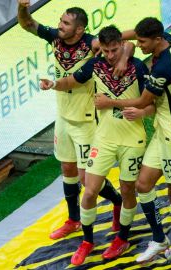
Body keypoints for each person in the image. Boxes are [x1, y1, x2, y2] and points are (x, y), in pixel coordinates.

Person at [41, 25, 155, 265]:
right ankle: (87, 241)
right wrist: (53, 84)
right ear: (100, 48)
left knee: (127, 190)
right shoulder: (95, 65)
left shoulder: (138, 67)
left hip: (132, 141)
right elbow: (72, 81)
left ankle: (122, 238)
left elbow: (152, 105)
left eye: (115, 50)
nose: (111, 55)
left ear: (121, 46)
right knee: (89, 189)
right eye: (106, 51)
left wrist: (142, 112)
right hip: (104, 139)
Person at [17, 0, 131, 240]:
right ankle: (74, 219)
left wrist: (122, 58)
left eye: (65, 23)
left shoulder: (91, 43)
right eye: (60, 20)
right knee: (67, 168)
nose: (59, 25)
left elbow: (125, 41)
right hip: (63, 116)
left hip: (87, 120)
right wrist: (23, 7)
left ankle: (118, 201)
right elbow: (27, 23)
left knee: (85, 177)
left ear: (79, 30)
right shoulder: (54, 38)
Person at [95, 17, 171, 263]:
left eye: (141, 41)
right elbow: (135, 35)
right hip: (162, 131)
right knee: (143, 185)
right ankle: (160, 239)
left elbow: (143, 102)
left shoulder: (163, 69)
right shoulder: (167, 40)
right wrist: (121, 45)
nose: (137, 44)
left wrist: (110, 102)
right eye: (136, 40)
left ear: (156, 40)